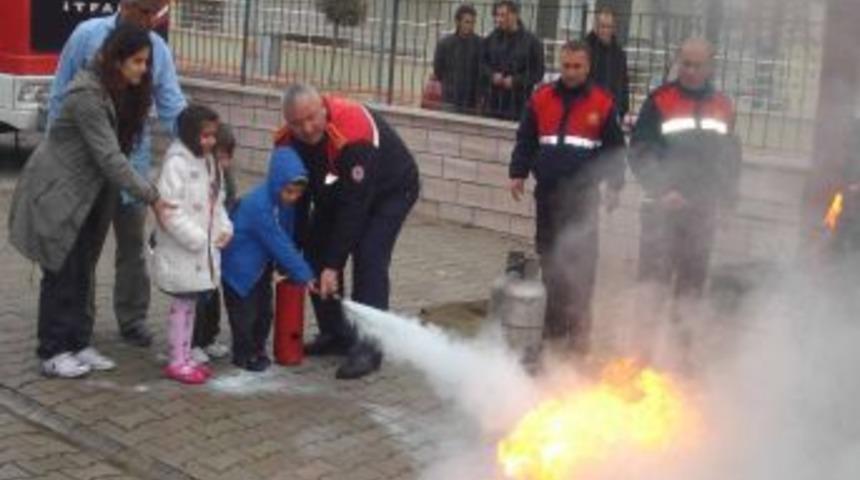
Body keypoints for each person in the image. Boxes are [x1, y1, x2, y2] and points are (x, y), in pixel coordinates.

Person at [8, 24, 173, 378]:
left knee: (82, 269)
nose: (144, 69)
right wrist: (153, 196)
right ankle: (52, 351)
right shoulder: (87, 94)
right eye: (138, 61)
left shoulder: (117, 91)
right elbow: (110, 157)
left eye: (146, 61)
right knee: (61, 270)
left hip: (88, 196)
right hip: (60, 193)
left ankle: (78, 342)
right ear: (117, 59)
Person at [47, 0, 187, 348]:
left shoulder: (158, 50)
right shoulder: (87, 35)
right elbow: (59, 94)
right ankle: (79, 327)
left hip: (132, 165)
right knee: (83, 252)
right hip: (87, 168)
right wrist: (56, 155)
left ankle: (133, 319)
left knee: (132, 246)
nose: (151, 21)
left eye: (158, 13)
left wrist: (199, 140)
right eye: (145, 11)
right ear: (125, 4)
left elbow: (172, 107)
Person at [276, 84, 420, 380]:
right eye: (297, 123)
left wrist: (334, 265)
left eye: (311, 118)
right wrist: (292, 251)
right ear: (287, 122)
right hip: (336, 188)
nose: (306, 128)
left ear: (323, 109)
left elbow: (355, 207)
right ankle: (337, 333)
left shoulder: (353, 133)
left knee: (369, 257)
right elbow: (298, 197)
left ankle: (369, 346)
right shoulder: (288, 141)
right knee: (314, 253)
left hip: (389, 190)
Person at [509, 40, 626, 355]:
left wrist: (615, 186)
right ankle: (554, 323)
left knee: (581, 265)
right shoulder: (541, 98)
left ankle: (580, 330)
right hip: (547, 194)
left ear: (587, 67)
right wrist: (517, 172)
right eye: (566, 66)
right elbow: (526, 138)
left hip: (582, 198)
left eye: (577, 66)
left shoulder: (602, 103)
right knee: (549, 258)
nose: (571, 72)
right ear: (560, 65)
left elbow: (615, 150)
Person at [629, 38, 741, 339]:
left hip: (702, 213)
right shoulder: (659, 100)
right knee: (652, 286)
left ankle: (678, 360)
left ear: (710, 66)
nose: (689, 71)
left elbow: (730, 157)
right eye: (685, 64)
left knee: (691, 290)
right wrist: (663, 188)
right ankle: (641, 357)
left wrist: (728, 201)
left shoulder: (723, 105)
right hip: (661, 212)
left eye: (697, 65)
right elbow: (639, 151)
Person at [151, 105, 232, 384]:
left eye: (213, 135)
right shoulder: (176, 163)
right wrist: (197, 238)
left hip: (202, 251)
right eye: (205, 136)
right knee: (182, 304)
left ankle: (185, 356)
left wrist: (224, 228)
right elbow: (169, 209)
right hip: (184, 249)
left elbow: (217, 200)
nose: (210, 141)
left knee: (191, 304)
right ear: (189, 133)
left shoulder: (209, 161)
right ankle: (177, 359)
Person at [221, 147, 316, 372]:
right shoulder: (259, 206)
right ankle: (243, 355)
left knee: (264, 312)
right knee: (245, 314)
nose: (293, 198)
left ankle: (258, 348)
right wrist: (305, 275)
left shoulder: (282, 203)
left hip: (259, 267)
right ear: (276, 182)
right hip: (239, 269)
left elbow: (286, 234)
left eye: (297, 193)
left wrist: (286, 267)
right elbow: (278, 243)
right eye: (289, 191)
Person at [191, 123, 238, 364]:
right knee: (197, 297)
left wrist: (224, 227)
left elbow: (229, 202)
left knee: (211, 294)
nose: (225, 163)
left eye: (228, 157)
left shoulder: (224, 176)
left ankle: (209, 338)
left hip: (214, 246)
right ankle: (193, 342)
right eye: (221, 157)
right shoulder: (196, 174)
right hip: (195, 245)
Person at [480, 0, 545, 121]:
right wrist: (492, 76)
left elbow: (538, 72)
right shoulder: (490, 39)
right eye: (497, 15)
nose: (499, 19)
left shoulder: (532, 42)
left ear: (515, 15)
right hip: (492, 103)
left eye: (503, 15)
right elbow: (481, 64)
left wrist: (516, 80)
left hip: (518, 105)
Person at [432, 4, 482, 114]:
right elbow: (438, 70)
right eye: (467, 22)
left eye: (473, 22)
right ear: (458, 22)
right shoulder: (445, 44)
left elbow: (481, 72)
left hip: (471, 100)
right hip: (450, 98)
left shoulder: (480, 45)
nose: (470, 26)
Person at [585, 7, 630, 119]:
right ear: (596, 27)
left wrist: (623, 108)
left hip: (613, 110)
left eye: (608, 27)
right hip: (589, 108)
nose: (605, 30)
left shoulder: (619, 53)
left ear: (613, 29)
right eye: (602, 26)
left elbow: (624, 82)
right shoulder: (585, 49)